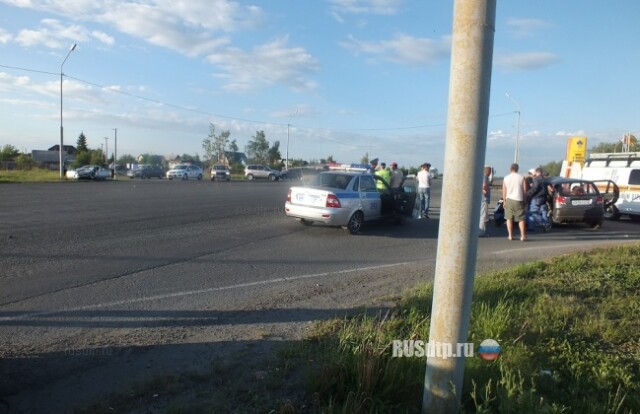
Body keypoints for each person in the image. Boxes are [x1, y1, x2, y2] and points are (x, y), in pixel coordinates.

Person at [502, 163, 528, 241]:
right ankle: (523, 236)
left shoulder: (506, 178)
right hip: (519, 199)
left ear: (510, 169)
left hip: (509, 199)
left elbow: (504, 190)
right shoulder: (522, 178)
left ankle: (510, 235)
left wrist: (504, 201)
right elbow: (525, 190)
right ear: (517, 169)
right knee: (521, 218)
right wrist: (525, 200)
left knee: (509, 218)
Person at [527, 167, 551, 231]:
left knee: (533, 212)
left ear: (537, 172)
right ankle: (531, 226)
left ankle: (545, 223)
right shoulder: (545, 179)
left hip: (537, 198)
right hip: (544, 198)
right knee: (542, 212)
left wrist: (528, 193)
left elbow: (534, 189)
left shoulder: (536, 179)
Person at [479, 166, 492, 237]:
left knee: (481, 215)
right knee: (483, 215)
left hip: (480, 199)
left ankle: (480, 231)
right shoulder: (485, 177)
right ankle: (481, 232)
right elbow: (484, 186)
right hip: (484, 199)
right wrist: (485, 191)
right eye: (490, 171)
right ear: (488, 171)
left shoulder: (481, 176)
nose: (490, 173)